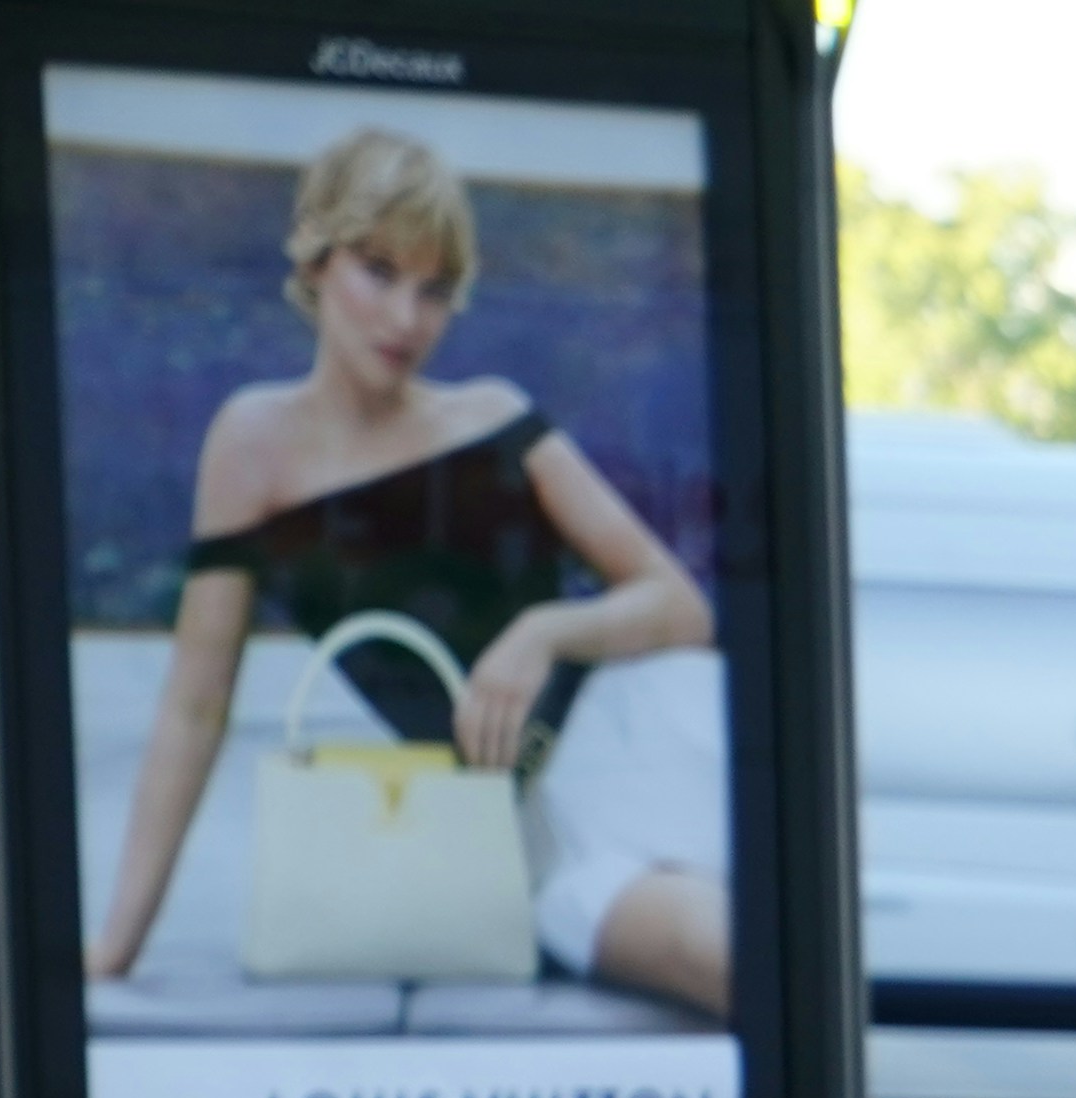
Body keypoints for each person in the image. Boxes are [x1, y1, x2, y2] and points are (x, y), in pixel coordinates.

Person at [89, 127, 731, 1017]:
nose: (404, 319)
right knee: (719, 959)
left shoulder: (495, 417)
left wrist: (542, 632)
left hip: (644, 744)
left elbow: (681, 607)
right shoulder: (251, 445)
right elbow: (194, 709)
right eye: (378, 271)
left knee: (766, 956)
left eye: (432, 290)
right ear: (316, 261)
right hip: (526, 836)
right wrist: (115, 948)